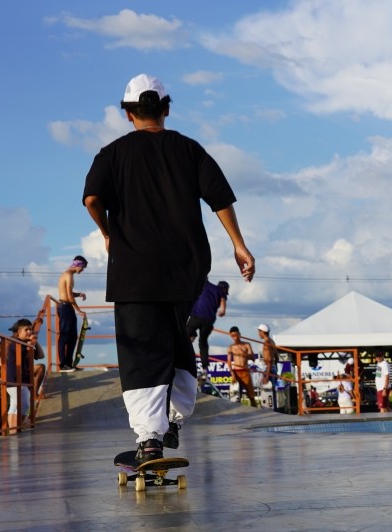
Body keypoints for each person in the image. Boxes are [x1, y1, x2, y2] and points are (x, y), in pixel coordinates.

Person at [82, 73, 255, 462]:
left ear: (128, 114)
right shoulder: (189, 149)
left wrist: (107, 232)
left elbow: (92, 198)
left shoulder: (112, 153)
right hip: (185, 268)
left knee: (142, 348)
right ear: (166, 109)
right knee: (177, 340)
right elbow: (220, 198)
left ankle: (150, 438)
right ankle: (174, 420)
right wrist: (239, 245)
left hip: (134, 269)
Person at [186, 279, 229, 374]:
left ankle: (190, 338)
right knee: (203, 342)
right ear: (224, 289)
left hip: (196, 316)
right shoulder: (220, 290)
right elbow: (223, 300)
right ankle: (205, 368)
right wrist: (223, 310)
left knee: (184, 334)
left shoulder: (205, 284)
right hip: (209, 319)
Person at [2, 319, 37, 433]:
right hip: (14, 380)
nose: (29, 332)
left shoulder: (24, 343)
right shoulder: (15, 343)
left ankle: (17, 427)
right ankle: (13, 430)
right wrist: (30, 345)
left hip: (23, 380)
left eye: (30, 329)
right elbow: (22, 352)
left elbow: (39, 355)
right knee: (16, 405)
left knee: (24, 405)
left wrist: (32, 344)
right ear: (19, 332)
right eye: (26, 330)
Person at [57, 256, 88, 372]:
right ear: (78, 265)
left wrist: (79, 294)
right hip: (65, 307)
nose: (83, 270)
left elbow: (68, 293)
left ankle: (69, 364)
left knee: (73, 337)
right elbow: (69, 296)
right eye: (83, 267)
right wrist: (79, 311)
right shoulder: (68, 275)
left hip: (67, 307)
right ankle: (63, 365)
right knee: (64, 336)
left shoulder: (68, 275)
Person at [227, 326, 258, 407]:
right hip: (236, 372)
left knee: (251, 395)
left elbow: (253, 358)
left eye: (236, 335)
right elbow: (229, 362)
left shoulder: (246, 345)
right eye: (233, 336)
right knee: (236, 395)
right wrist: (233, 375)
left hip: (245, 371)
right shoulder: (231, 347)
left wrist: (245, 355)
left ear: (239, 334)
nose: (235, 337)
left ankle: (255, 410)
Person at [257, 323, 278, 410]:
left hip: (268, 369)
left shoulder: (266, 344)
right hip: (273, 368)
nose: (258, 333)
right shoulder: (272, 341)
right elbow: (276, 357)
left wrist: (267, 375)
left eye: (259, 331)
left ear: (262, 332)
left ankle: (269, 412)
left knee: (267, 393)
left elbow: (269, 360)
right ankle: (274, 411)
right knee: (272, 393)